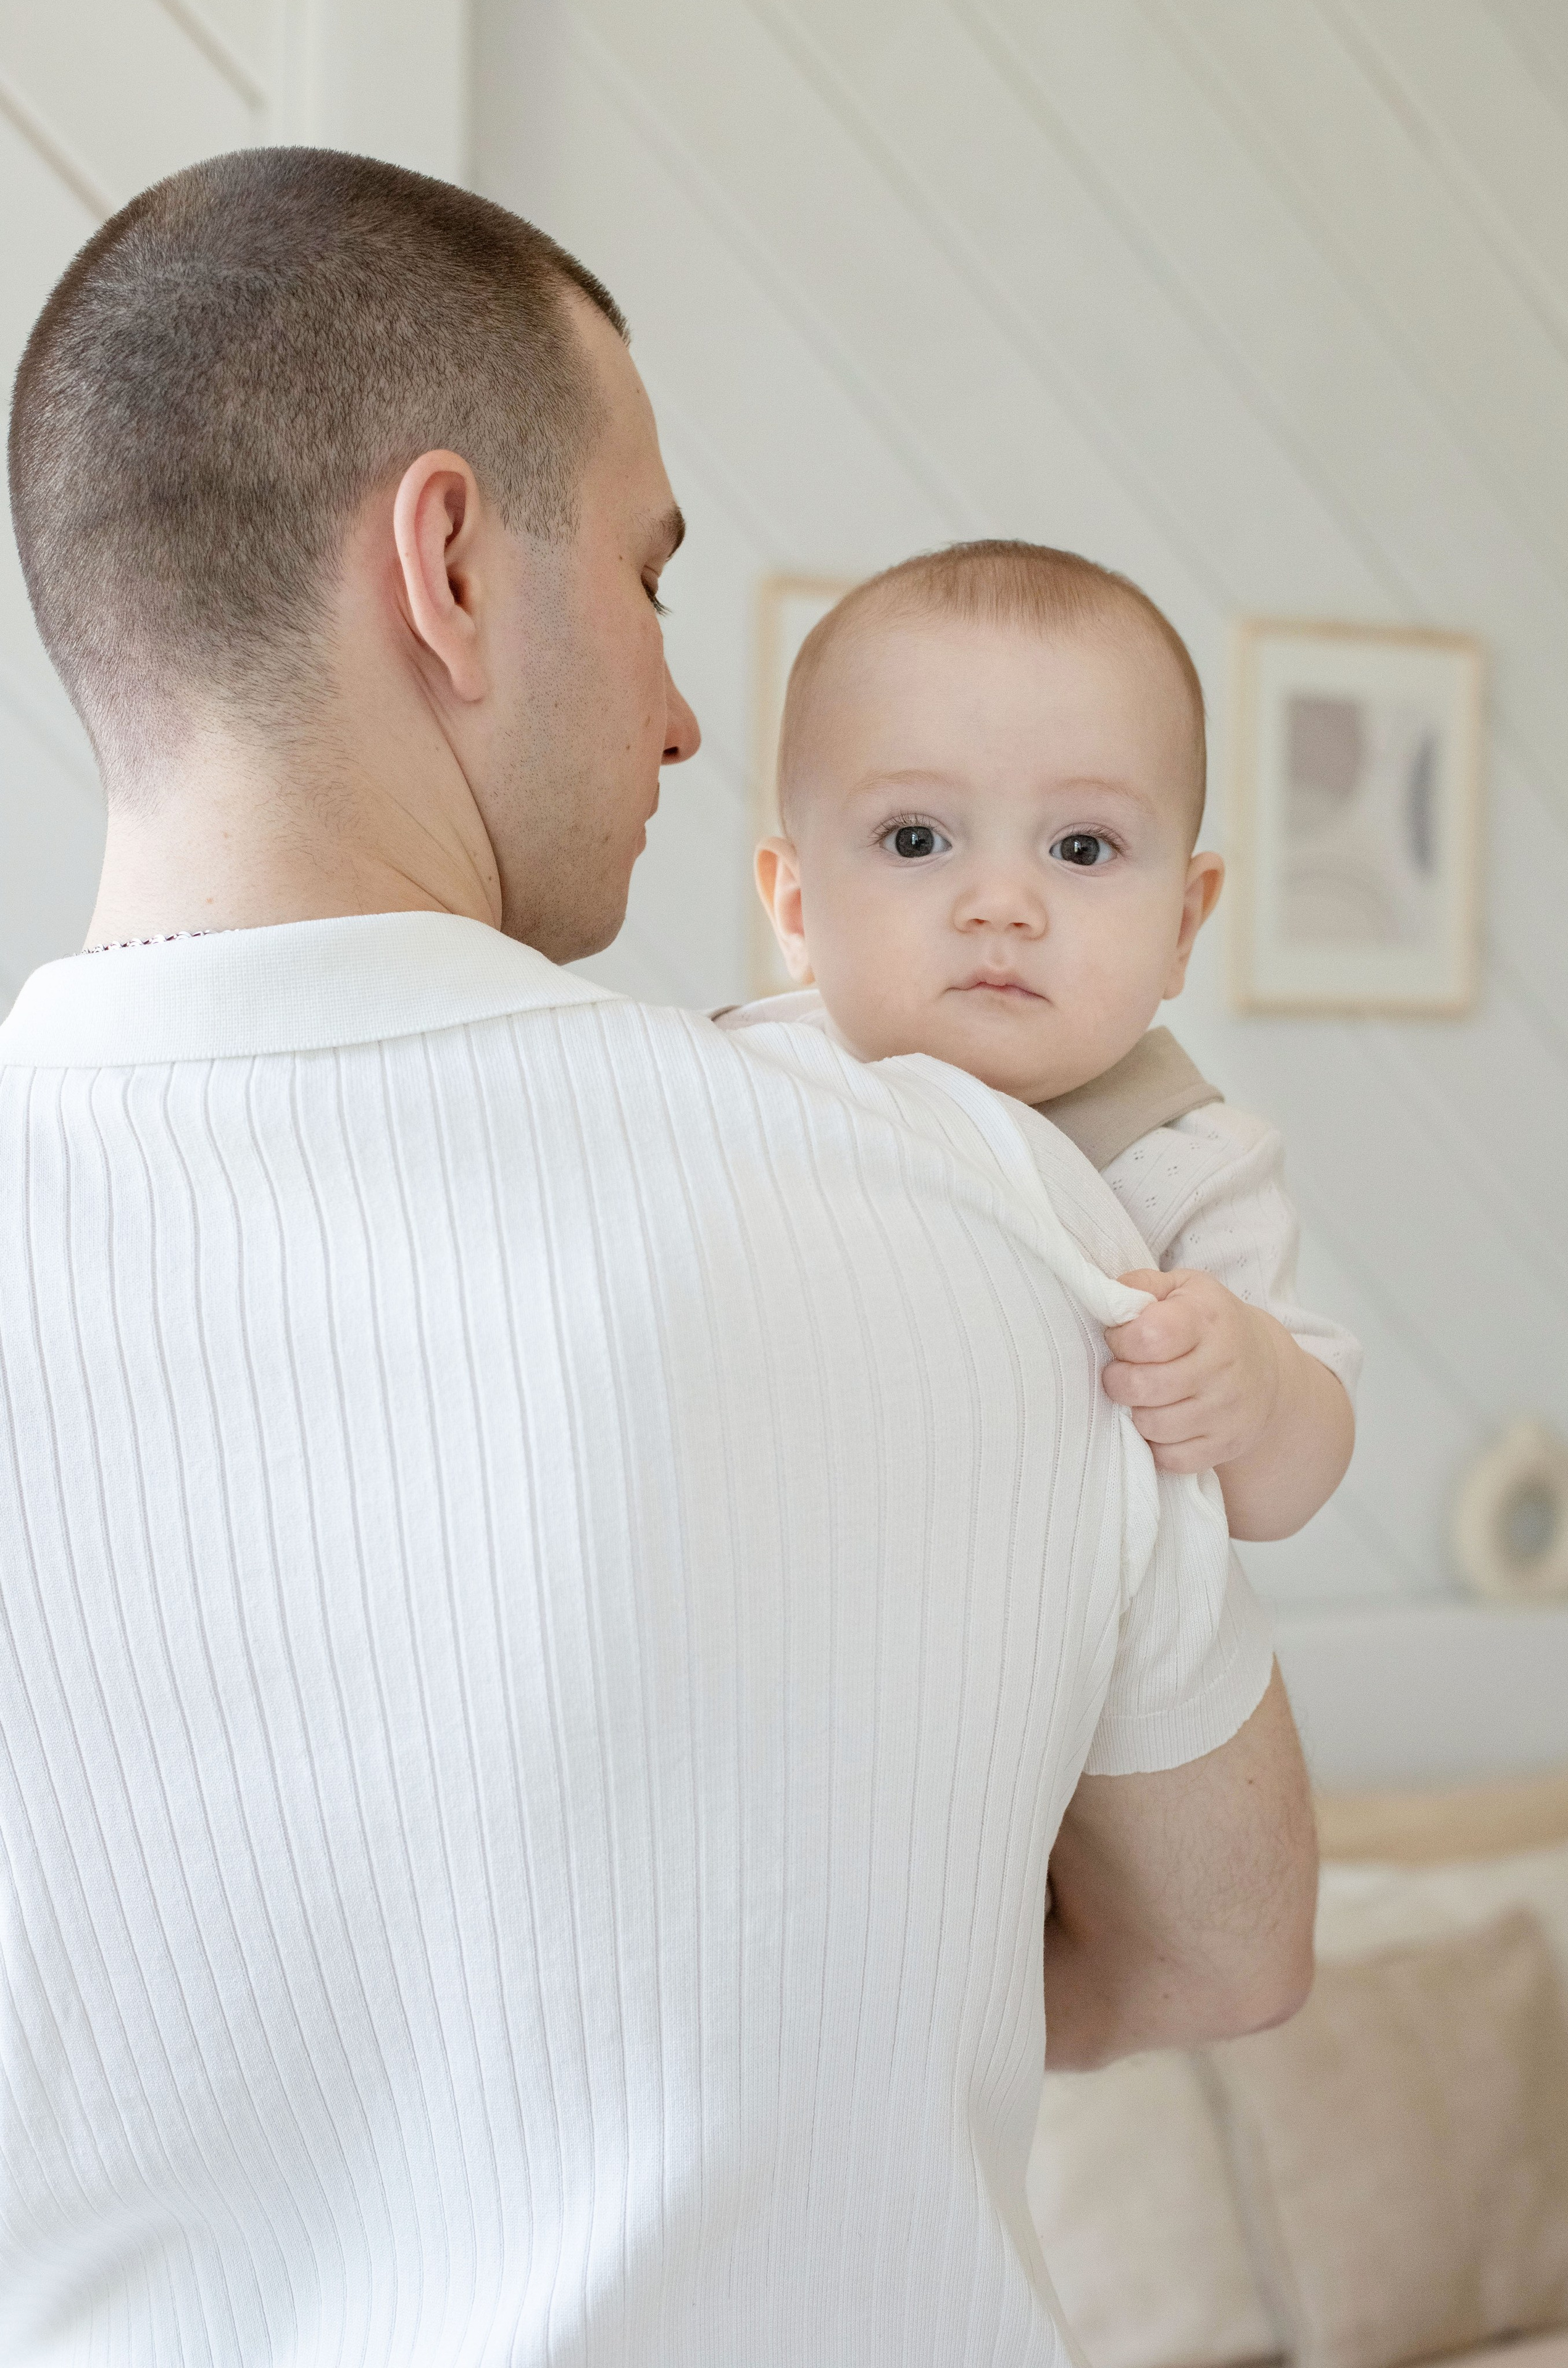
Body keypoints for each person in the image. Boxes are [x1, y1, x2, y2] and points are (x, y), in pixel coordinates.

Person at [0, 148, 1316, 2365]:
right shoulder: (993, 1214)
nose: (690, 720)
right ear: (445, 566)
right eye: (644, 575)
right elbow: (1228, 1950)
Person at [742, 543, 1359, 1544]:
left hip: (1069, 1670)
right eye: (916, 840)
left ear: (1182, 927)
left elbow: (1286, 1493)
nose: (1002, 905)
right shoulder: (745, 1079)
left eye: (1082, 848)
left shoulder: (1186, 1165)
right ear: (798, 908)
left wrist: (1253, 1389)